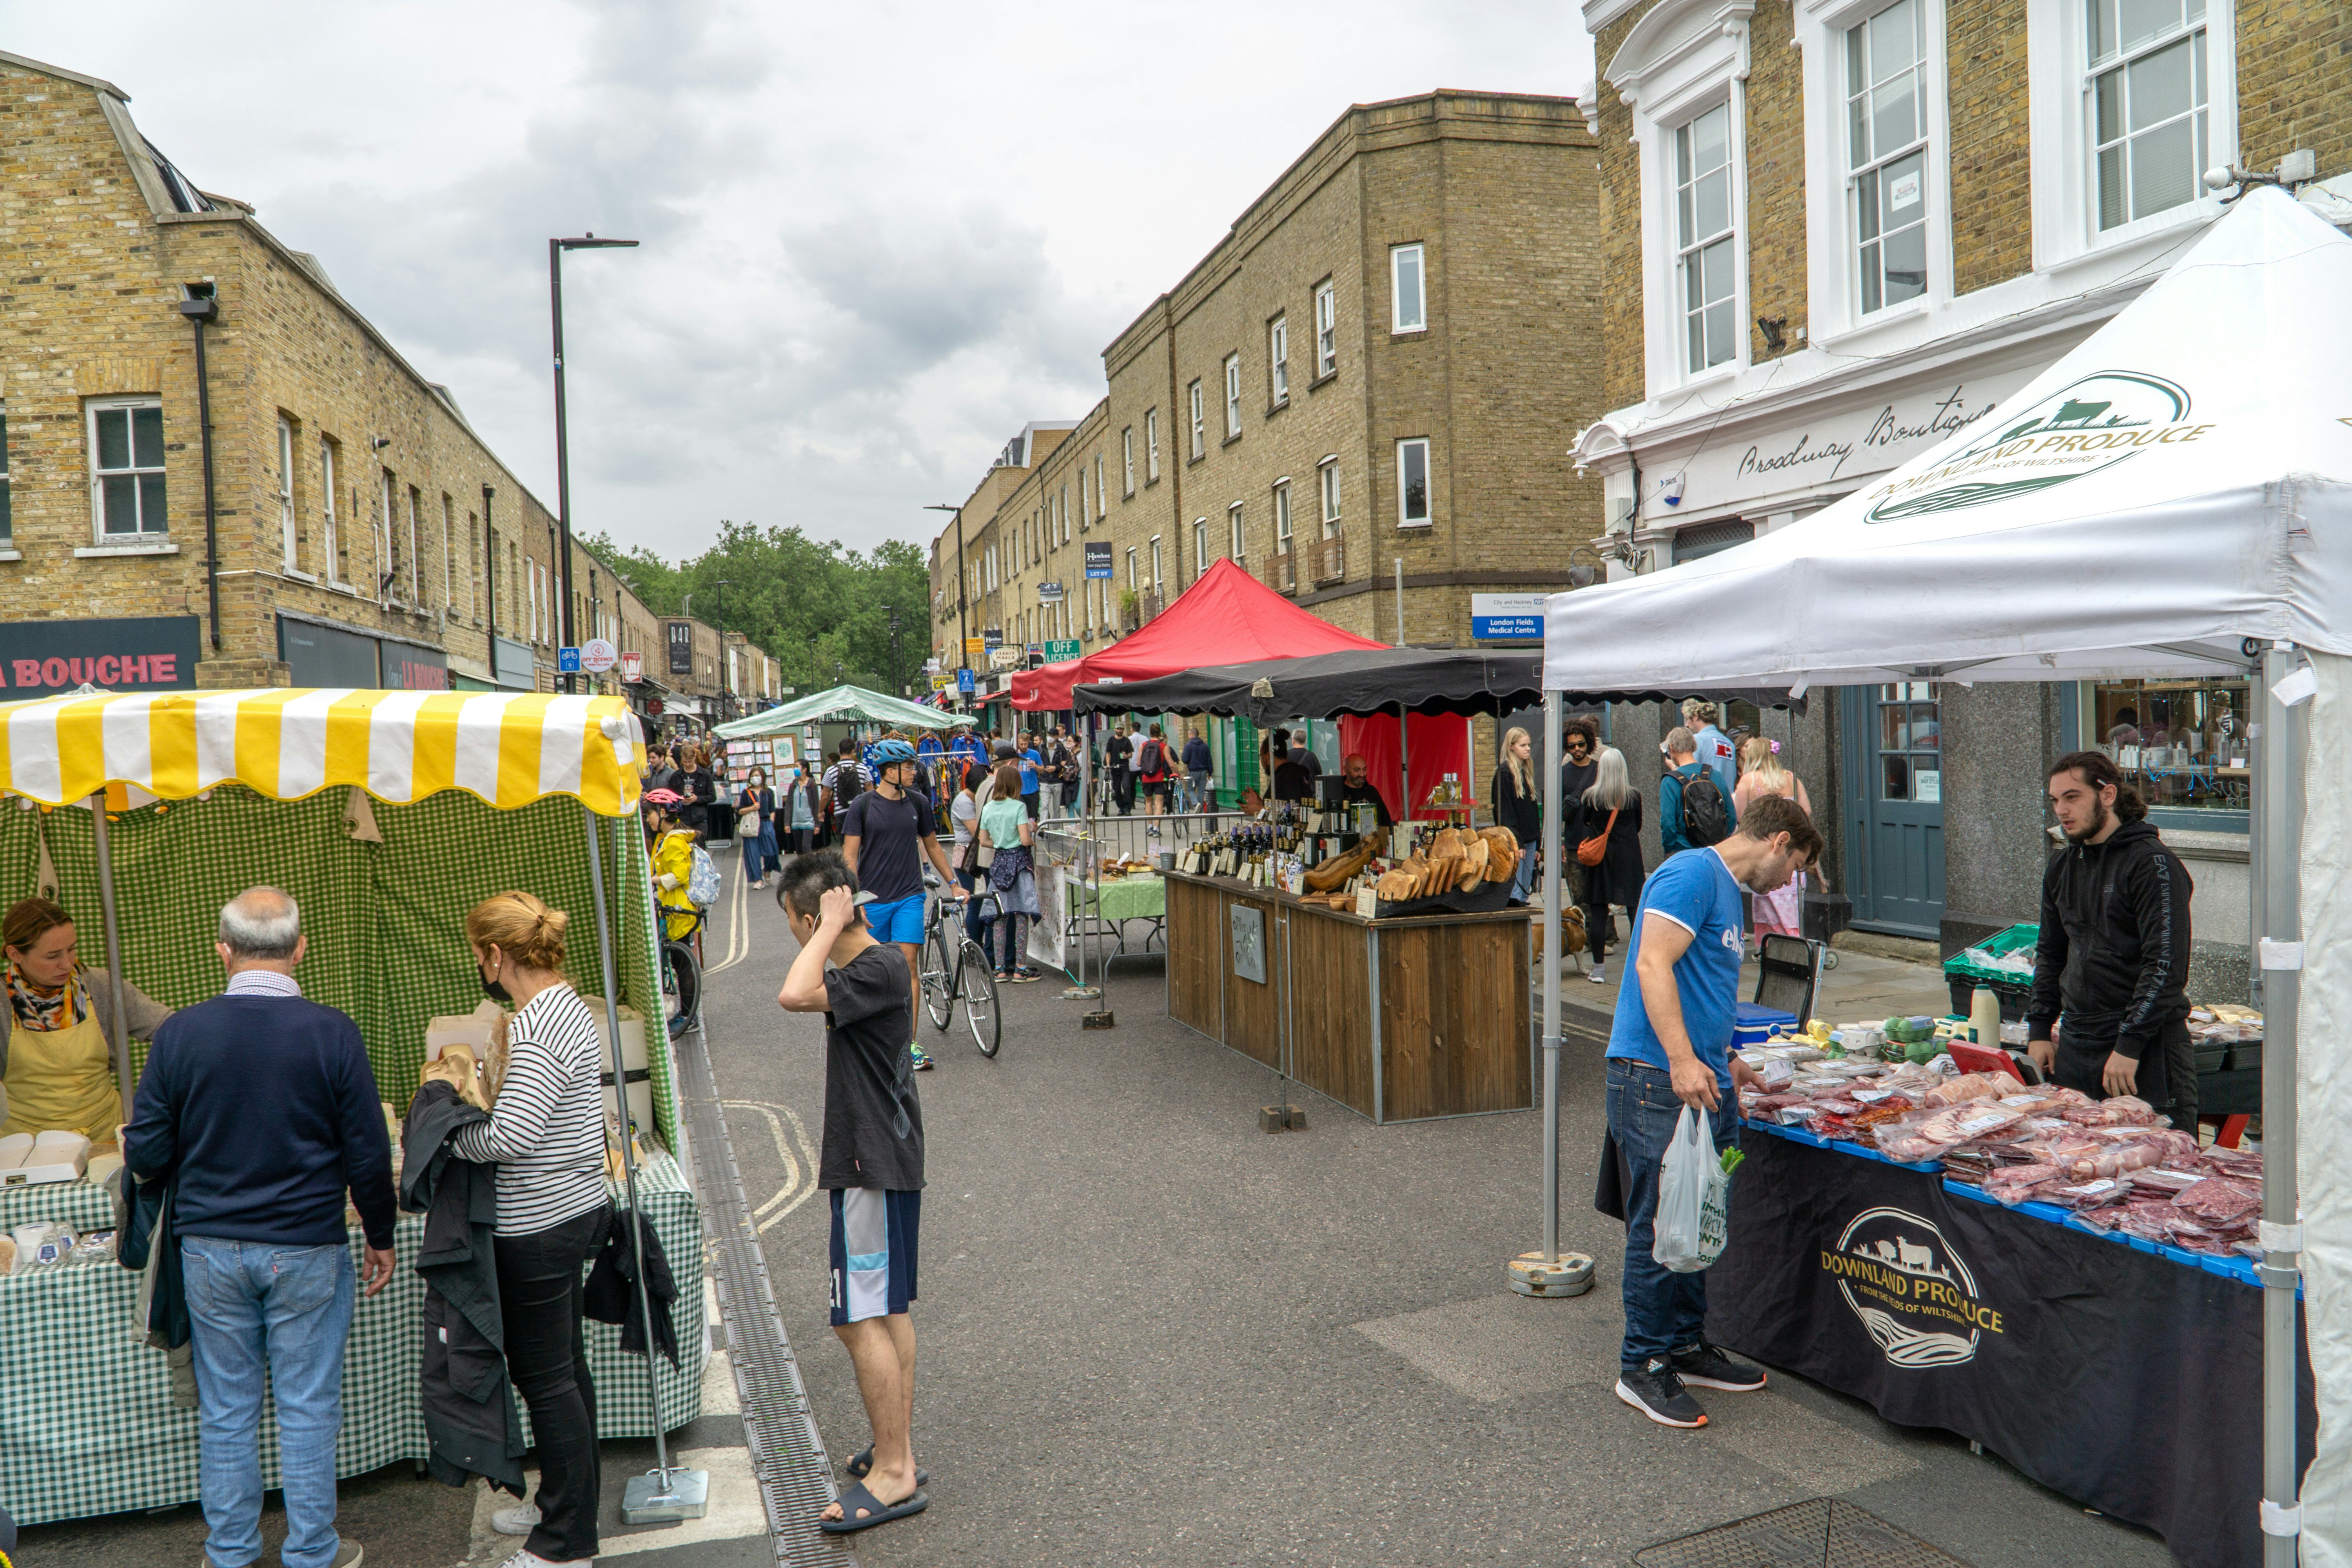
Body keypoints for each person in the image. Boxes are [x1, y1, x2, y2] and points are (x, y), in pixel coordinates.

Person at [125, 888, 396, 1568]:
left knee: (226, 1409)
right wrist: (382, 1234)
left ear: (223, 950)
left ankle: (233, 1552)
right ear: (301, 948)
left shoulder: (181, 1033)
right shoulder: (333, 1031)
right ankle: (311, 1551)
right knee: (307, 1406)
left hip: (211, 1248)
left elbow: (148, 1154)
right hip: (307, 1243)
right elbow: (368, 1153)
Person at [1605, 796, 1822, 1429]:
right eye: (1796, 868)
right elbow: (1652, 963)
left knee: (1697, 1216)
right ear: (1779, 841)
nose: (1790, 884)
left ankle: (1684, 1345)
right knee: (1661, 1222)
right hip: (1655, 1079)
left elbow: (1701, 984)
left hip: (1700, 1082)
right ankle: (1641, 1365)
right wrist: (1679, 1058)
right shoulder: (1692, 874)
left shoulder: (1729, 892)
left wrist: (1723, 1054)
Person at [773, 855, 930, 1537]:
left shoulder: (871, 969)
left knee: (856, 1314)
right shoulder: (881, 970)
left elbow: (791, 994)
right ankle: (895, 1448)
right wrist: (829, 926)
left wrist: (825, 927)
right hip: (883, 1154)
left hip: (871, 1160)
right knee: (885, 1305)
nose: (794, 937)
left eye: (792, 925)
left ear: (814, 919)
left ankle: (893, 1470)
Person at [458, 893, 613, 1568]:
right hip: (571, 1206)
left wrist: (450, 1136)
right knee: (562, 1371)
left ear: (496, 955)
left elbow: (513, 1134)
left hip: (541, 1221)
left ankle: (565, 1542)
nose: (480, 967)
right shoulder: (559, 1006)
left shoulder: (541, 1021)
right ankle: (561, 1505)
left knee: (546, 1378)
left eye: (479, 955)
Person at [2027, 751, 2197, 1125]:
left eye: (2073, 797)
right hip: (2076, 1042)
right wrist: (2039, 1028)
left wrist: (2129, 1044)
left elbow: (2166, 967)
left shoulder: (2152, 864)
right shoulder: (2061, 866)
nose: (2061, 810)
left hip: (2145, 1049)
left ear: (2107, 795)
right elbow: (2052, 954)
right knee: (2076, 1166)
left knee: (2154, 1168)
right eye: (2055, 800)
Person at [4, 896, 172, 1137]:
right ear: (16, 954)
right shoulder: (2, 1003)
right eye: (52, 956)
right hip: (30, 1146)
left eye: (72, 949)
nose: (66, 963)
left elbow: (170, 1028)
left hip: (107, 1134)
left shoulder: (100, 985)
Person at [842, 738, 959, 1073]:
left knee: (908, 965)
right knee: (877, 971)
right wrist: (855, 900)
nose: (914, 772)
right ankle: (879, 1039)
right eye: (908, 767)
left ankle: (908, 1044)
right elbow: (850, 858)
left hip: (910, 895)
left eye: (912, 766)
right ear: (889, 771)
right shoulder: (862, 807)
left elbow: (933, 846)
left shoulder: (919, 803)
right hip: (874, 901)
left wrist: (953, 881)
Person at [1731, 737, 1812, 944]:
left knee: (1768, 905)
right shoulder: (1791, 778)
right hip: (1791, 852)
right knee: (1792, 908)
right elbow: (1807, 811)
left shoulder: (1748, 781)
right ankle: (1796, 943)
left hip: (1764, 855)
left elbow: (1740, 819)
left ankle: (1769, 947)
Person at [1578, 746, 1646, 985]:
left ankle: (1598, 970)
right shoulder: (1633, 796)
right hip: (1629, 858)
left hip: (1602, 860)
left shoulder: (1592, 797)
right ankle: (1642, 965)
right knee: (1635, 911)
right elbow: (1638, 825)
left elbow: (1586, 821)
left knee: (1599, 911)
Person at [978, 761, 1044, 982]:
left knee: (1000, 917)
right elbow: (1025, 839)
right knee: (1021, 914)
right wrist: (1030, 840)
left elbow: (983, 841)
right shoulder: (1018, 807)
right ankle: (1020, 968)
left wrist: (1001, 841)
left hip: (999, 864)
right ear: (1016, 784)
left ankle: (999, 969)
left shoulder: (988, 808)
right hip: (1019, 862)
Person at [949, 764, 996, 975]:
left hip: (975, 855)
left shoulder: (972, 798)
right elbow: (976, 830)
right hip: (968, 857)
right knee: (974, 902)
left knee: (979, 900)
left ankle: (976, 948)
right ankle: (971, 948)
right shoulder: (964, 802)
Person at [1660, 727, 1733, 858]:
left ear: (1671, 748)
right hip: (1715, 849)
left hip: (1684, 851)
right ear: (1694, 746)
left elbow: (1668, 822)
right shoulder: (1715, 775)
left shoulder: (1669, 782)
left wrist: (1669, 848)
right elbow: (1731, 816)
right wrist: (1721, 840)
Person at [1491, 726, 1542, 904]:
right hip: (1517, 841)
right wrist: (1516, 842)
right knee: (1516, 892)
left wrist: (1537, 844)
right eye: (1523, 745)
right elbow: (1505, 812)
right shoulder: (1504, 774)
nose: (1528, 748)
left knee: (1525, 889)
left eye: (1528, 744)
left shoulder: (1525, 772)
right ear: (1512, 747)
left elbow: (1532, 812)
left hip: (1530, 840)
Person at [1557, 717, 1602, 911]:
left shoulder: (1600, 770)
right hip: (1574, 844)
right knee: (1580, 899)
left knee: (1600, 898)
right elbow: (1557, 811)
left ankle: (1606, 937)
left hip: (1598, 842)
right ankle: (1587, 938)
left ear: (1589, 743)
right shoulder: (1563, 773)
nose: (1577, 749)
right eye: (1572, 746)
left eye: (1581, 744)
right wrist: (1559, 842)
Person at [1681, 700, 1739, 805]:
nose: (1687, 724)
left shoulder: (1697, 740)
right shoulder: (1729, 743)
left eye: (1688, 719)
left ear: (1696, 717)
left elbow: (1691, 773)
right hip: (1728, 803)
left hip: (1706, 807)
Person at [822, 739, 873, 842]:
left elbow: (825, 795)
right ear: (853, 752)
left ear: (839, 751)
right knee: (863, 843)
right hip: (860, 811)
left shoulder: (831, 770)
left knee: (846, 844)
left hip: (841, 812)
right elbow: (870, 792)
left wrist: (820, 812)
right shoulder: (863, 768)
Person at [739, 766, 778, 891]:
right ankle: (758, 879)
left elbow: (773, 810)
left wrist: (771, 823)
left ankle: (767, 870)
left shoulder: (769, 792)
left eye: (758, 775)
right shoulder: (746, 793)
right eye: (753, 776)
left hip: (766, 823)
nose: (755, 778)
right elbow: (740, 811)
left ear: (763, 777)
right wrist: (752, 808)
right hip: (752, 825)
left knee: (772, 851)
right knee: (753, 853)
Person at [1332, 753, 1394, 828]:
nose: (1362, 774)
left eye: (1364, 769)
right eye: (1357, 770)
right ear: (1346, 770)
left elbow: (1386, 823)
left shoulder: (1372, 792)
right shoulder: (1337, 792)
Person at [1136, 722, 1174, 830]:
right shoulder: (1163, 746)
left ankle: (1150, 827)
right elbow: (1171, 763)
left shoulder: (1143, 746)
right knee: (1159, 804)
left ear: (1150, 732)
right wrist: (1178, 773)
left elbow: (1138, 764)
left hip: (1146, 778)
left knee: (1148, 802)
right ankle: (1157, 829)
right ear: (1160, 732)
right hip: (1159, 778)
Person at [786, 764, 824, 857]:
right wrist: (787, 823)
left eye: (797, 766)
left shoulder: (812, 785)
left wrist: (817, 824)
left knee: (806, 848)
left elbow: (816, 804)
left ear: (804, 769)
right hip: (796, 821)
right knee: (799, 849)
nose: (795, 769)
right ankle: (802, 869)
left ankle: (809, 868)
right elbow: (789, 805)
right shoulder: (793, 785)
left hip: (809, 820)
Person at [1104, 724, 1135, 815]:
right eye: (1118, 729)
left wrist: (1127, 756)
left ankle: (1127, 808)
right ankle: (1121, 808)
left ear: (1123, 730)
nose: (1119, 730)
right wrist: (1108, 765)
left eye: (1121, 729)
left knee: (1126, 787)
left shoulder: (1127, 741)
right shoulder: (1111, 740)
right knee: (1116, 788)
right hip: (1114, 767)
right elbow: (1108, 753)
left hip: (1124, 767)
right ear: (1115, 729)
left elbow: (1131, 754)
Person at [1183, 728, 1212, 814]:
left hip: (1193, 771)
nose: (1188, 737)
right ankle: (1200, 810)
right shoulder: (1205, 746)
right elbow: (1209, 761)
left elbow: (1185, 759)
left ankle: (1196, 804)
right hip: (1204, 771)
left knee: (1191, 789)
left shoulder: (1189, 746)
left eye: (1189, 735)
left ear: (1192, 735)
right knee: (1201, 790)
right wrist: (1210, 773)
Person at [1018, 735, 1043, 822]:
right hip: (1019, 792)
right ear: (1018, 743)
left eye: (1026, 744)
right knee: (1022, 818)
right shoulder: (1015, 755)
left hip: (1033, 791)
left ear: (1029, 743)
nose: (1024, 747)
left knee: (1033, 818)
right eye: (1021, 744)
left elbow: (1042, 770)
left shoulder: (1035, 754)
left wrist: (1036, 766)